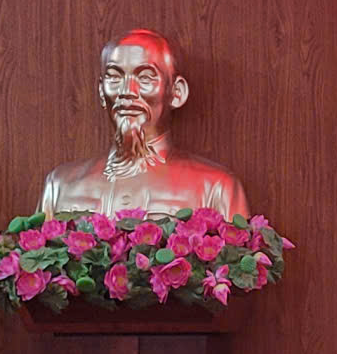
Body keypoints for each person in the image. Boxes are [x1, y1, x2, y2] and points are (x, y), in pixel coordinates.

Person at [38, 28, 250, 217]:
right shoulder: (60, 185)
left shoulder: (216, 188)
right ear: (101, 92)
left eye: (145, 78)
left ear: (176, 92)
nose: (127, 91)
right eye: (115, 77)